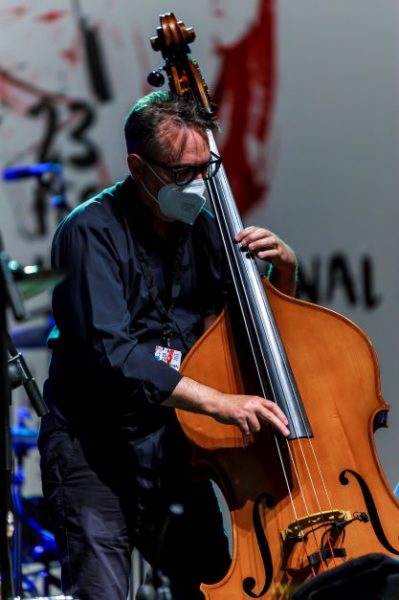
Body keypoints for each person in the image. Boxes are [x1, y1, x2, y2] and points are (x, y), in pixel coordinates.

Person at [38, 89, 297, 600]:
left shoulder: (205, 228)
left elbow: (254, 328)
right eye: (182, 172)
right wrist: (218, 402)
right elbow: (114, 354)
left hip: (173, 449)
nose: (199, 185)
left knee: (211, 586)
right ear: (139, 167)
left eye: (207, 168)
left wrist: (283, 272)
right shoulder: (88, 231)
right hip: (94, 452)